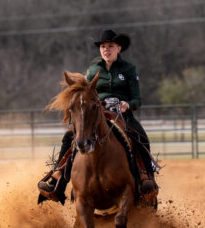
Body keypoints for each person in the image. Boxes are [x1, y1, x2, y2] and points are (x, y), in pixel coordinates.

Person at [38, 29, 158, 197]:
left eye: (110, 46)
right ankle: (58, 179)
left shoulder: (129, 69)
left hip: (122, 115)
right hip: (96, 114)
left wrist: (127, 105)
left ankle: (147, 178)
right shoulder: (94, 69)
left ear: (119, 48)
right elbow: (85, 93)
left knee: (140, 135)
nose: (106, 50)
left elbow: (137, 99)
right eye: (103, 46)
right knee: (69, 137)